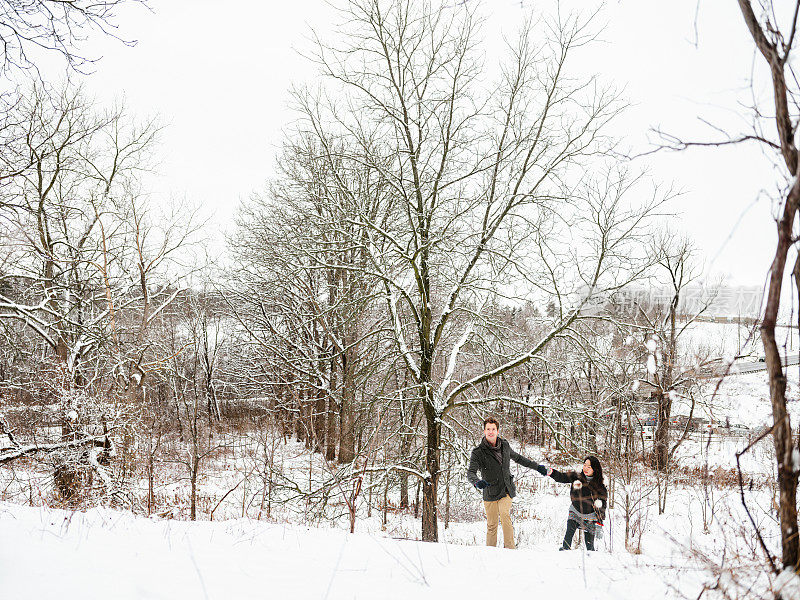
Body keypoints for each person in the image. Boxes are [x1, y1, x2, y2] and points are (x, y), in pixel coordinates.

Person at [466, 416, 542, 549]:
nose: (491, 432)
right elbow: (471, 472)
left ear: (497, 431)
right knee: (492, 524)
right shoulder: (478, 452)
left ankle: (510, 549)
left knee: (505, 515)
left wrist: (537, 467)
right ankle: (490, 551)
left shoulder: (505, 445)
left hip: (506, 489)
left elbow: (518, 458)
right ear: (484, 431)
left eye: (493, 429)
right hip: (489, 491)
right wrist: (477, 482)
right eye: (488, 429)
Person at [537, 456, 607, 551]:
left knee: (590, 546)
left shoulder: (599, 486)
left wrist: (599, 522)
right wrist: (550, 472)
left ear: (595, 469)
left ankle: (592, 560)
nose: (585, 468)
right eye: (584, 465)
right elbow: (561, 477)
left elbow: (602, 504)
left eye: (589, 467)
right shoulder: (577, 477)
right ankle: (565, 550)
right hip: (575, 511)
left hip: (590, 516)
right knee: (569, 532)